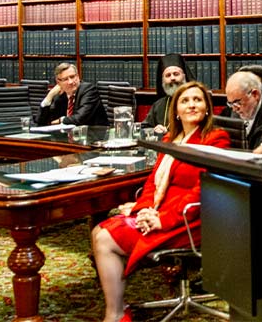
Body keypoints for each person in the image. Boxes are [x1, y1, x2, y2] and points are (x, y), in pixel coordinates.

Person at [91, 81, 230, 322]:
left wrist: (162, 219)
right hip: (161, 212)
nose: (192, 105)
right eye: (185, 101)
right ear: (175, 110)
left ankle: (115, 314)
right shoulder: (171, 138)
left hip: (191, 220)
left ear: (208, 108)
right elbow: (153, 182)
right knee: (99, 232)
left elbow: (204, 191)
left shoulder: (216, 138)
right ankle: (118, 307)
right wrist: (144, 211)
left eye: (197, 100)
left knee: (105, 238)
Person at [220, 66, 262, 149]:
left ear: (255, 94)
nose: (234, 109)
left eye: (238, 102)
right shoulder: (230, 110)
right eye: (230, 103)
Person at [36, 62, 108, 126]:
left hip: (93, 137)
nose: (70, 82)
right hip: (66, 137)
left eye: (72, 77)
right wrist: (49, 96)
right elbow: (40, 121)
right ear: (58, 83)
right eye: (65, 79)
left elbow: (79, 118)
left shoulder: (89, 90)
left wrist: (61, 120)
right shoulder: (59, 96)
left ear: (78, 76)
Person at [142, 53, 194, 133]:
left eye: (176, 74)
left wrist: (169, 134)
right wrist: (154, 130)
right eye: (168, 75)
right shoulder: (158, 105)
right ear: (163, 81)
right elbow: (144, 128)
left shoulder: (194, 103)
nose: (172, 78)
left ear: (184, 76)